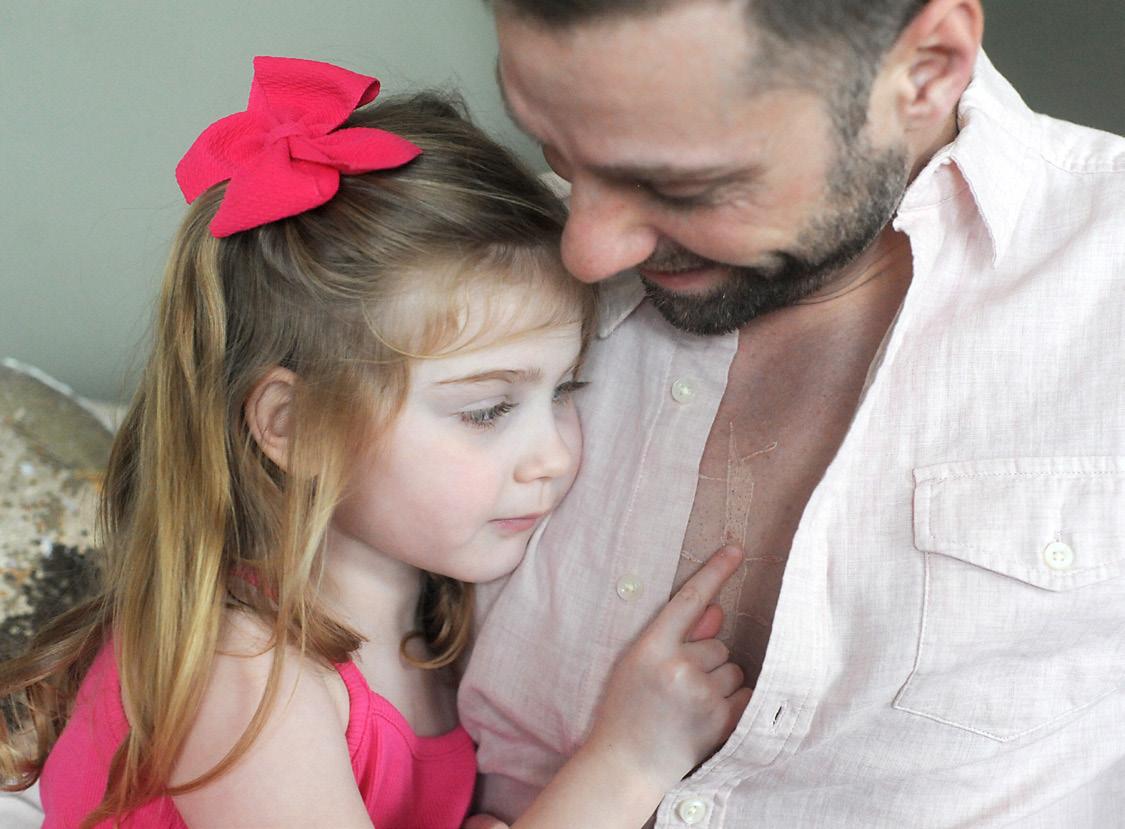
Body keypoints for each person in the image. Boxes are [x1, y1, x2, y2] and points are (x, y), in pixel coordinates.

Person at [0, 56, 752, 828]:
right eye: (487, 409)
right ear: (293, 426)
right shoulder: (245, 672)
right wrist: (628, 762)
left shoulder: (438, 628)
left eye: (563, 391)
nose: (553, 456)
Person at [460, 0, 1125, 825]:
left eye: (681, 187)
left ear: (925, 71)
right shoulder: (458, 267)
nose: (585, 252)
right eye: (553, 150)